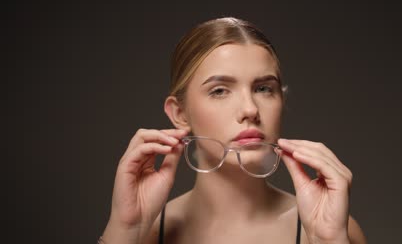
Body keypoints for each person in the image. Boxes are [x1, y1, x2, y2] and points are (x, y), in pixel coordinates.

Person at [100, 17, 367, 244]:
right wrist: (125, 230)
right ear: (179, 114)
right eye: (219, 91)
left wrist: (329, 241)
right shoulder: (146, 235)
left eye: (263, 88)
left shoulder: (330, 228)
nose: (250, 109)